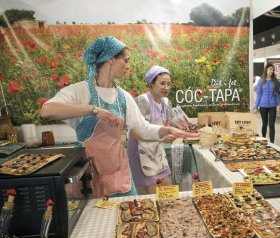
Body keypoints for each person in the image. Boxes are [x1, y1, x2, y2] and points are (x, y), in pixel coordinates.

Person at [40, 36, 196, 198]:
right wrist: (93, 110)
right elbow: (47, 110)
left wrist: (169, 130)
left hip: (118, 175)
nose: (128, 66)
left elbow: (143, 129)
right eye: (125, 60)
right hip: (90, 175)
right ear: (109, 59)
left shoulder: (123, 97)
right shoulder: (80, 91)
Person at [127, 66, 174, 194]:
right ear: (151, 84)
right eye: (162, 83)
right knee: (153, 190)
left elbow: (166, 127)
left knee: (167, 186)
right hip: (141, 151)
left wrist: (173, 134)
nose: (166, 87)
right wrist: (162, 137)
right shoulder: (143, 101)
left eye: (168, 84)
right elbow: (136, 133)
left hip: (157, 150)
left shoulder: (166, 103)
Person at [254, 63, 280, 144]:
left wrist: (278, 104)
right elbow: (258, 95)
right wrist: (256, 107)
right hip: (263, 106)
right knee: (264, 124)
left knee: (272, 125)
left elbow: (277, 94)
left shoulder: (275, 81)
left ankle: (272, 143)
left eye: (272, 70)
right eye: (270, 69)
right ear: (266, 70)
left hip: (273, 106)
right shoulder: (261, 81)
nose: (271, 71)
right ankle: (263, 139)